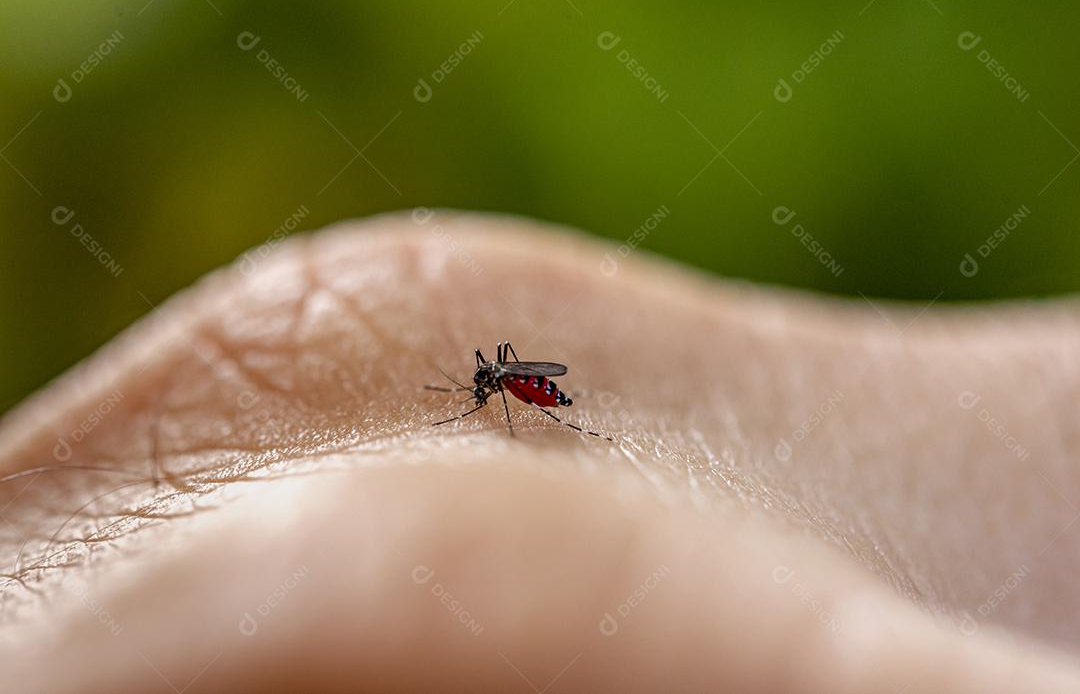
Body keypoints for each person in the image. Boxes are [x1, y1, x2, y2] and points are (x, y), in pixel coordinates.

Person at [1, 212, 1078, 693]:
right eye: (498, 385)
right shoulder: (495, 382)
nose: (498, 389)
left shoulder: (513, 388)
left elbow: (516, 381)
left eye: (498, 384)